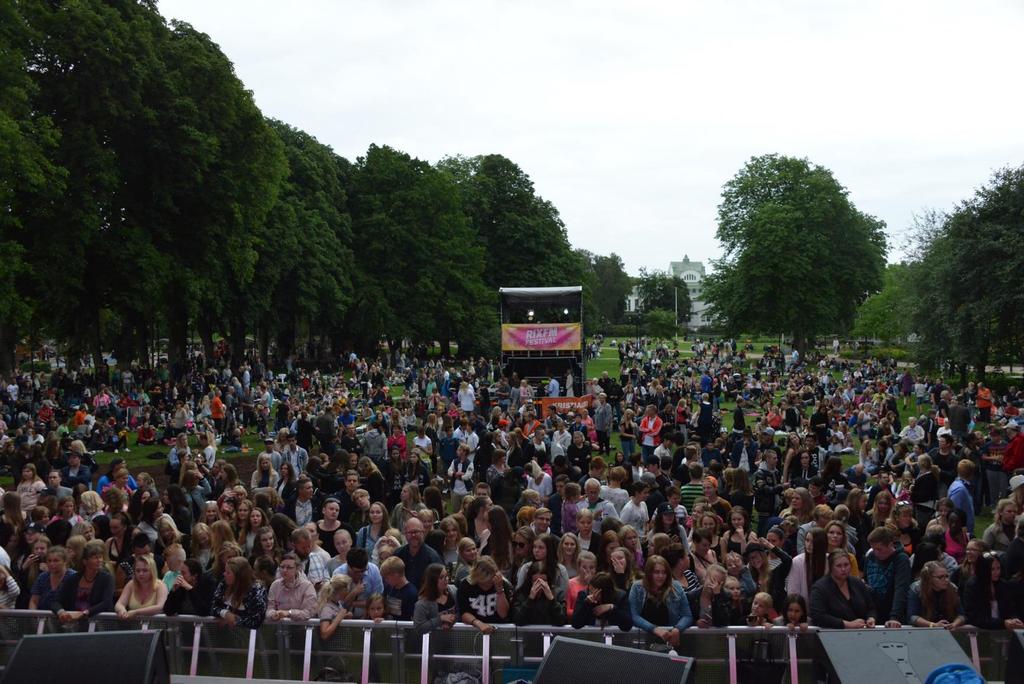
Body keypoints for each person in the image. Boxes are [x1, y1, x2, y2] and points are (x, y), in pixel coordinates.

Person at [627, 555, 693, 648]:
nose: (661, 576)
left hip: (669, 639)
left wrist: (677, 629)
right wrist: (654, 629)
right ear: (649, 573)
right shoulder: (637, 587)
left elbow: (687, 615)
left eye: (664, 572)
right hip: (644, 640)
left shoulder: (676, 587)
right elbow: (634, 616)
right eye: (656, 572)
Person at [809, 550, 877, 628]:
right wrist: (847, 624)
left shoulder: (857, 583)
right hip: (832, 635)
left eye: (846, 565)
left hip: (861, 633)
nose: (843, 569)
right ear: (831, 567)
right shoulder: (819, 588)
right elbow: (818, 616)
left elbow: (871, 608)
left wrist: (871, 618)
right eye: (839, 566)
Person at [54, 540, 115, 624]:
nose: (99, 560)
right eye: (95, 557)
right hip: (73, 622)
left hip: (99, 623)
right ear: (85, 561)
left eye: (100, 557)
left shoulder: (107, 578)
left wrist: (84, 613)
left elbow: (106, 603)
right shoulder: (73, 579)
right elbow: (56, 601)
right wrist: (61, 612)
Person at [862, 526, 911, 627]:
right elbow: (867, 580)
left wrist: (895, 617)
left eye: (879, 549)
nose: (876, 552)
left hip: (892, 612)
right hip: (873, 613)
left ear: (890, 544)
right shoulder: (871, 557)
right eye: (873, 549)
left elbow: (901, 589)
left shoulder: (901, 559)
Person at [962, 551, 1023, 630]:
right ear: (984, 569)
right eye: (992, 569)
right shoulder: (973, 586)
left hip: (1004, 628)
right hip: (981, 630)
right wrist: (1002, 623)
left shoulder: (1003, 585)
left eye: (998, 568)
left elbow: (1011, 608)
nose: (996, 572)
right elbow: (975, 617)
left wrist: (1014, 619)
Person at [457, 556, 512, 633]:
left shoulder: (502, 583)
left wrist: (500, 591)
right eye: (487, 581)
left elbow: (503, 614)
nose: (491, 582)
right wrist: (478, 623)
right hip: (474, 628)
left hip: (498, 628)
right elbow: (464, 613)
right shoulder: (466, 585)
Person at [212, 556, 268, 629]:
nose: (224, 574)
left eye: (228, 572)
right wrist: (226, 614)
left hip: (251, 635)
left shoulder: (256, 590)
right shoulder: (224, 584)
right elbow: (213, 607)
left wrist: (235, 621)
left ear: (239, 576)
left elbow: (256, 620)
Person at [907, 560, 965, 629]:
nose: (946, 580)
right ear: (929, 578)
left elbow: (962, 615)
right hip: (925, 630)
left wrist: (954, 624)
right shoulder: (916, 589)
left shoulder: (952, 588)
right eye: (940, 577)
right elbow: (913, 617)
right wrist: (934, 625)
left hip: (948, 628)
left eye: (947, 576)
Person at [266, 552, 317, 621]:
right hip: (280, 628)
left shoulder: (307, 586)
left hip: (302, 628)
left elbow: (308, 613)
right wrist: (273, 614)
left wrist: (289, 613)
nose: (284, 570)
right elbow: (269, 609)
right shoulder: (275, 585)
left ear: (297, 569)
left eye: (289, 567)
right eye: (282, 567)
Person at [395, 517, 442, 590]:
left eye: (416, 532)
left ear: (423, 532)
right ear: (405, 534)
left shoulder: (433, 557)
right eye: (410, 532)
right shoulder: (398, 554)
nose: (413, 535)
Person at [115, 554, 168, 619]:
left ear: (152, 571)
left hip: (156, 626)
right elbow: (119, 604)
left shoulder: (161, 586)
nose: (141, 574)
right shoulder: (131, 584)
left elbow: (160, 607)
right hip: (133, 626)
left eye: (145, 570)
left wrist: (136, 612)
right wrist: (122, 610)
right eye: (138, 570)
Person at [413, 563, 458, 634]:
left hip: (457, 637)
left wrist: (453, 619)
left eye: (446, 576)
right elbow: (419, 627)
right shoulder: (422, 604)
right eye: (441, 577)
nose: (446, 579)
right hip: (434, 640)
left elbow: (461, 611)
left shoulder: (454, 591)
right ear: (432, 581)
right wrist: (440, 619)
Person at [29, 546, 75, 611]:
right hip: (43, 617)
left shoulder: (73, 577)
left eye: (56, 561)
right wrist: (33, 616)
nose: (52, 564)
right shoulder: (42, 577)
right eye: (49, 561)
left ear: (65, 561)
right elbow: (34, 601)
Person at [316, 574, 353, 640]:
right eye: (347, 588)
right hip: (331, 647)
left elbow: (334, 618)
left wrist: (345, 616)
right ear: (341, 590)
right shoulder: (326, 608)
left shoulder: (337, 603)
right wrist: (339, 617)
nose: (348, 591)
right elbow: (324, 634)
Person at [380, 556, 418, 620]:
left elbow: (413, 617)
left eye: (387, 578)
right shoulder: (388, 587)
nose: (386, 580)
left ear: (396, 575)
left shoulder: (411, 593)